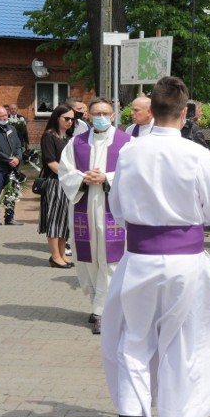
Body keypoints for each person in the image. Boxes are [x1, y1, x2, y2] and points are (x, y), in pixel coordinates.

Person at [104, 76, 210, 417]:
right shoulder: (197, 155)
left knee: (134, 336)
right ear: (184, 113)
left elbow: (116, 208)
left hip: (141, 258)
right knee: (179, 342)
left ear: (153, 111)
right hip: (185, 261)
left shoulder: (130, 151)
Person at [58, 98, 132, 334]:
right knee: (87, 259)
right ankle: (97, 304)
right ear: (88, 115)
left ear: (113, 115)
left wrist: (107, 178)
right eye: (96, 112)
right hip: (85, 206)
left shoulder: (127, 142)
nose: (100, 116)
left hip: (112, 209)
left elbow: (134, 172)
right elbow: (65, 170)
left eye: (105, 113)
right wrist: (82, 178)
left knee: (111, 260)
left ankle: (102, 312)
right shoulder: (76, 142)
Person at [39, 105, 75, 269]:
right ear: (57, 118)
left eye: (72, 119)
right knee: (55, 219)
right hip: (54, 182)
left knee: (64, 220)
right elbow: (50, 161)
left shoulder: (68, 137)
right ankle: (55, 256)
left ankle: (62, 254)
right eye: (66, 118)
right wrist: (67, 175)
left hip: (67, 183)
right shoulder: (49, 136)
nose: (69, 122)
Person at [0, 105, 24, 225]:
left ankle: (9, 218)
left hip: (12, 168)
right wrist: (8, 159)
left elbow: (18, 146)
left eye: (6, 115)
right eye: (2, 116)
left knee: (11, 193)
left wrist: (17, 158)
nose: (5, 117)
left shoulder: (12, 128)